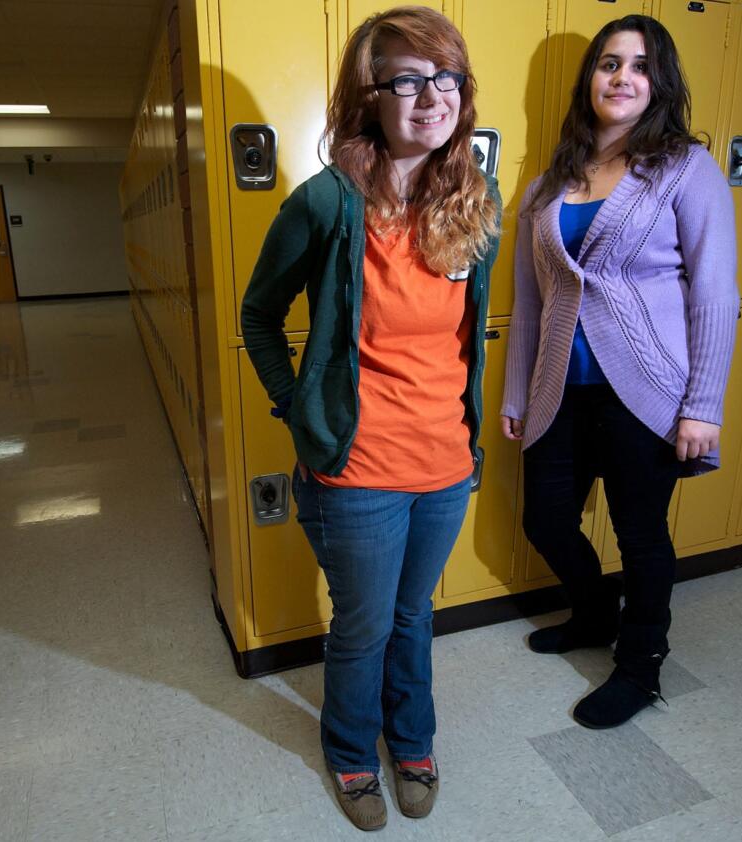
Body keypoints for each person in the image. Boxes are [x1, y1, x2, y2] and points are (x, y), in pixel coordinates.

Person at [241, 6, 500, 831]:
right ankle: (353, 752)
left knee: (414, 615)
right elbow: (258, 315)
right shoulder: (327, 203)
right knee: (361, 626)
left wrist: (472, 442)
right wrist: (298, 409)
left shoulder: (473, 199)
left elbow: (466, 344)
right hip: (358, 466)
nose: (432, 97)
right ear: (372, 94)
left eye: (447, 78)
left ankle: (412, 740)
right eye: (409, 80)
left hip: (446, 465)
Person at [500, 14, 737, 730]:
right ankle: (596, 613)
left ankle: (640, 668)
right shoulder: (547, 186)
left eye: (638, 66)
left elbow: (716, 292)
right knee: (545, 518)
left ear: (657, 82)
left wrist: (704, 404)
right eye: (609, 63)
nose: (622, 77)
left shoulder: (685, 168)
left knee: (640, 537)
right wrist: (516, 392)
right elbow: (530, 303)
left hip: (648, 393)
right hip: (558, 390)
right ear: (591, 79)